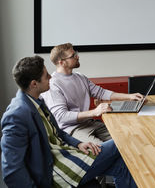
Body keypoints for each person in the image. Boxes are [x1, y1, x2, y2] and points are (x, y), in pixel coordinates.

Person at [1, 56, 136, 187]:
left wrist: (78, 144)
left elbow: (58, 132)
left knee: (120, 166)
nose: (50, 77)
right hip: (57, 169)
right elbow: (11, 169)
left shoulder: (37, 101)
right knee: (124, 140)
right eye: (46, 75)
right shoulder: (16, 115)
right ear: (34, 84)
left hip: (67, 153)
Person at [42, 43, 143, 144]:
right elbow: (61, 116)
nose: (77, 57)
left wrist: (129, 96)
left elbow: (101, 92)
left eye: (76, 53)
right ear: (62, 62)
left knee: (126, 140)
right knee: (103, 151)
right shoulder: (53, 84)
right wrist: (94, 112)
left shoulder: (80, 77)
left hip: (89, 123)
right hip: (72, 129)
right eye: (73, 56)